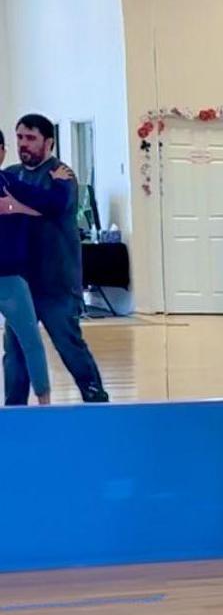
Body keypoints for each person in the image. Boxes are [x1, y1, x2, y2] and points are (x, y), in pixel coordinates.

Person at [3, 114, 108, 405]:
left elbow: (55, 206)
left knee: (69, 345)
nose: (23, 144)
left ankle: (96, 400)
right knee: (15, 351)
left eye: (31, 138)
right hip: (20, 283)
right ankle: (14, 411)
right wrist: (23, 205)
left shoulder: (63, 175)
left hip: (57, 282)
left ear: (48, 142)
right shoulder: (11, 174)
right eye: (20, 137)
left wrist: (13, 205)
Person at [0, 128, 52, 405]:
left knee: (30, 340)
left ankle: (45, 402)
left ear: (1, 153)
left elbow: (49, 203)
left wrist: (16, 207)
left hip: (9, 279)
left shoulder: (9, 181)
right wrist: (12, 208)